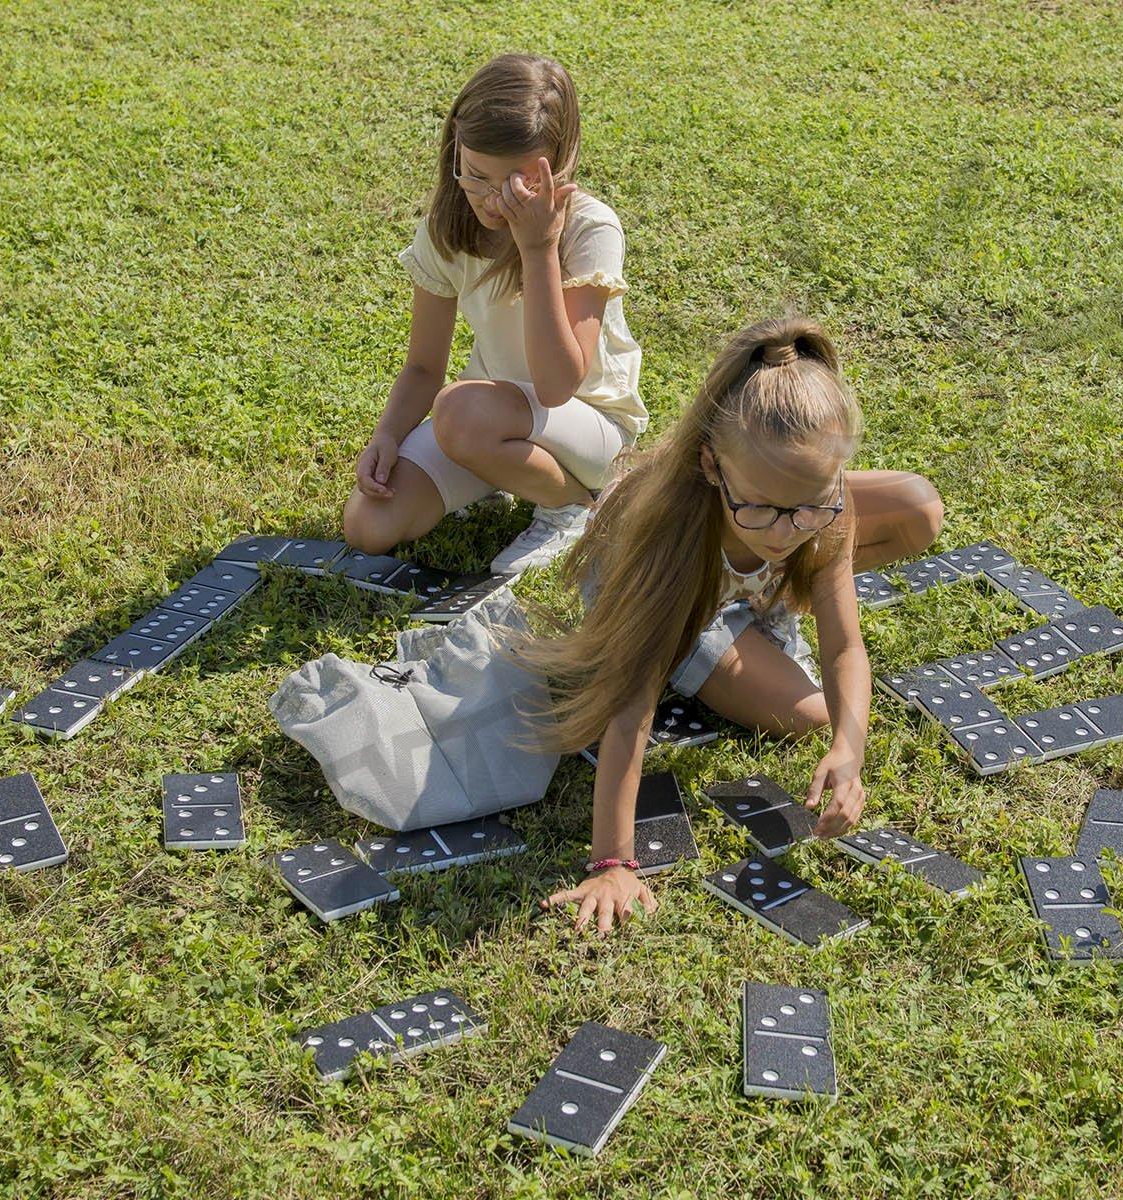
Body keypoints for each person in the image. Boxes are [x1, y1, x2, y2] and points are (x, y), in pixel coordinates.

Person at [521, 315, 943, 933]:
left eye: (809, 505)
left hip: (740, 562)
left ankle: (760, 593)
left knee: (916, 506)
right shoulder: (669, 541)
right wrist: (613, 861)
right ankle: (705, 642)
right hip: (666, 594)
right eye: (764, 507)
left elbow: (845, 648)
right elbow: (631, 702)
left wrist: (849, 751)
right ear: (712, 466)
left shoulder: (818, 511)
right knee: (809, 715)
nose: (786, 531)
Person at [342, 53, 645, 576]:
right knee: (368, 525)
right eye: (477, 174)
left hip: (589, 425)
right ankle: (499, 471)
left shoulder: (589, 229)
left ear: (559, 163)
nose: (493, 199)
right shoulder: (449, 227)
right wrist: (387, 436)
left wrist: (538, 248)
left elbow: (555, 386)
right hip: (486, 416)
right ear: (455, 144)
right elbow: (422, 367)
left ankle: (572, 507)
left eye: (517, 183)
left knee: (460, 412)